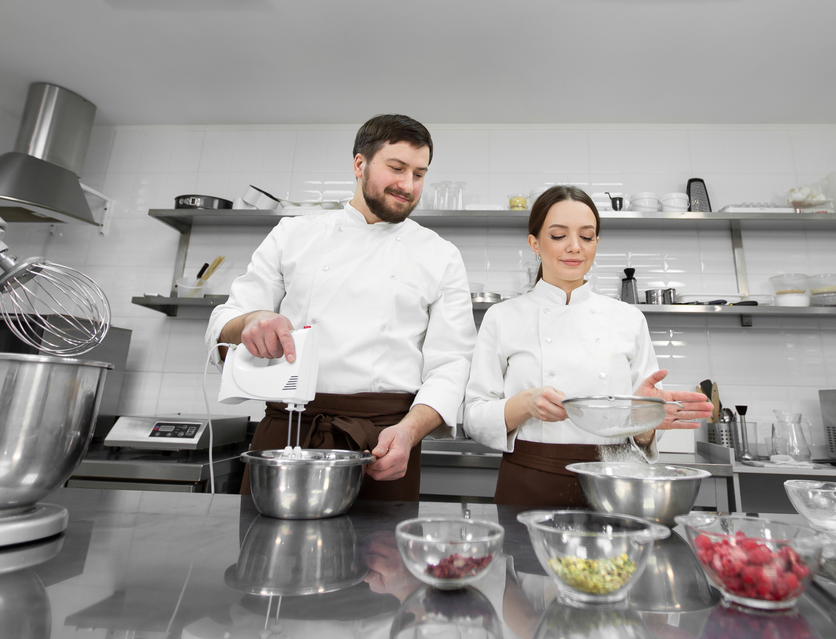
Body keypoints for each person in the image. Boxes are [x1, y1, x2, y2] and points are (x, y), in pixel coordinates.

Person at [206, 114, 476, 501]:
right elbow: (224, 321)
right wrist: (253, 321)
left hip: (385, 442)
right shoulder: (293, 234)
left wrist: (409, 432)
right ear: (359, 164)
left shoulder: (440, 254)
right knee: (269, 557)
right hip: (290, 431)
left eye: (419, 173)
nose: (408, 185)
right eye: (396, 168)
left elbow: (452, 364)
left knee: (380, 560)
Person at [463, 185, 714, 506]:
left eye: (587, 236)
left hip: (615, 482)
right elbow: (473, 417)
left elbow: (646, 430)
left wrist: (645, 423)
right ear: (534, 243)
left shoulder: (628, 318)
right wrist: (525, 404)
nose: (574, 248)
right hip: (530, 480)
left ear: (597, 242)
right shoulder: (503, 317)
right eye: (558, 236)